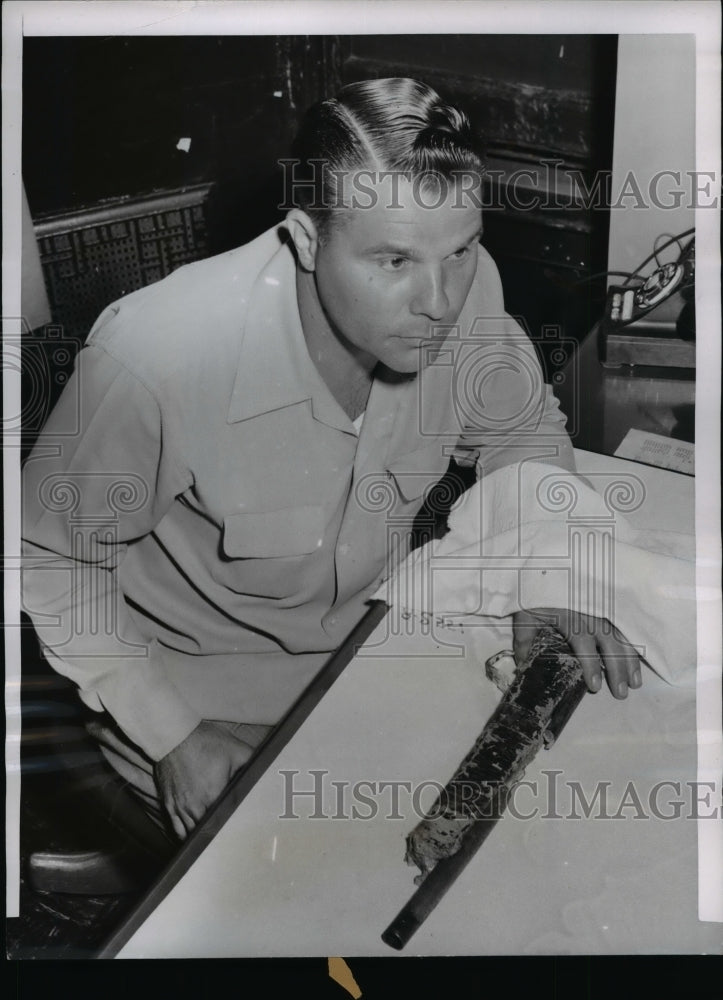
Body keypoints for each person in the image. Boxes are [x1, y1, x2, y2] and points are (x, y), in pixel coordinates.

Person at [21, 78, 641, 843]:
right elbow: (43, 554)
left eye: (461, 249)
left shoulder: (461, 284)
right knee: (318, 900)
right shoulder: (159, 355)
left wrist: (548, 572)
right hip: (199, 694)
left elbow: (516, 429)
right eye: (391, 261)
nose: (438, 301)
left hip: (367, 660)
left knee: (561, 812)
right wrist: (171, 732)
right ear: (306, 239)